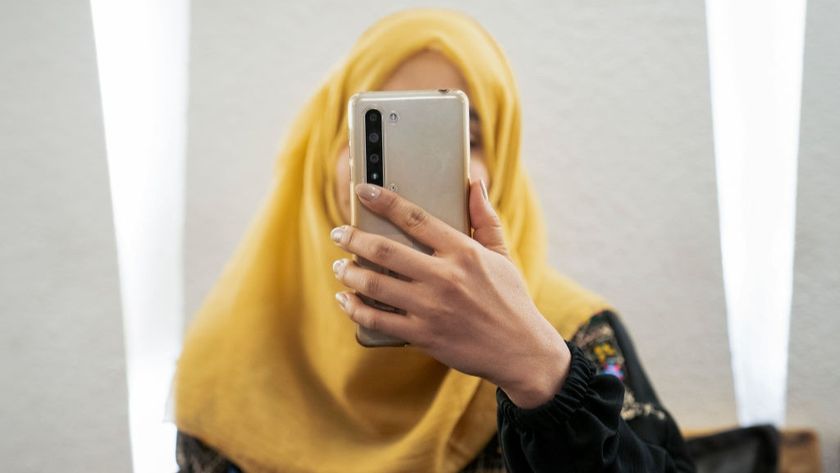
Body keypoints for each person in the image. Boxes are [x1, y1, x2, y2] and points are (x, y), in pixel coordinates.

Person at [174, 8, 696, 473]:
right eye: (377, 131)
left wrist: (539, 373)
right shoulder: (237, 351)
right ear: (325, 150)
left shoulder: (573, 334)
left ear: (505, 167)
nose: (413, 170)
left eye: (461, 138)